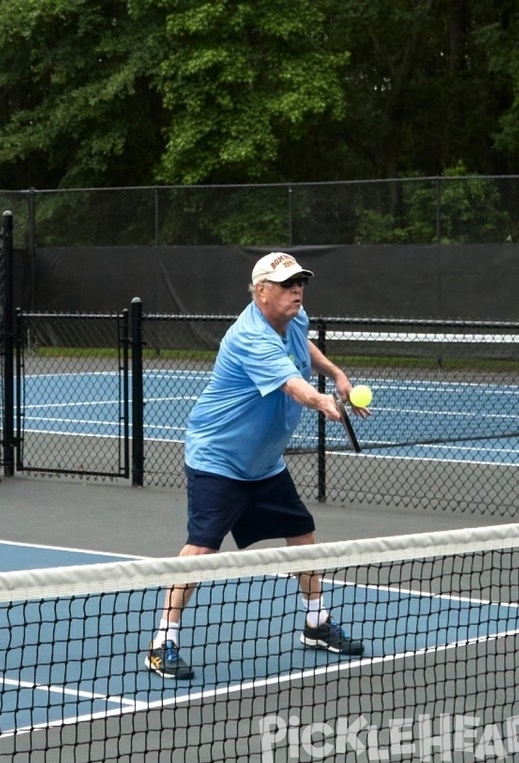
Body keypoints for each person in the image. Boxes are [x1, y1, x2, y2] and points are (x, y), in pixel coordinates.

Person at [145, 252, 370, 680]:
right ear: (261, 291)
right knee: (201, 550)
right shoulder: (250, 337)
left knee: (302, 533)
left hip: (263, 464)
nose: (297, 291)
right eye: (287, 285)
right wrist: (324, 401)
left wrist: (336, 374)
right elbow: (292, 384)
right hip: (219, 459)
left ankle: (316, 622)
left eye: (300, 282)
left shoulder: (294, 318)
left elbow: (303, 347)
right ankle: (163, 641)